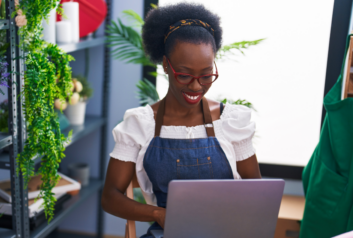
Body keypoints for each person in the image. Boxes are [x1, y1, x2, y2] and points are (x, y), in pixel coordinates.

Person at [101, 2, 261, 237]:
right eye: (184, 75)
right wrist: (158, 214)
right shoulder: (141, 124)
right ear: (166, 64)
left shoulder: (230, 121)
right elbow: (110, 197)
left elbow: (256, 191)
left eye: (207, 75)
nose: (197, 86)